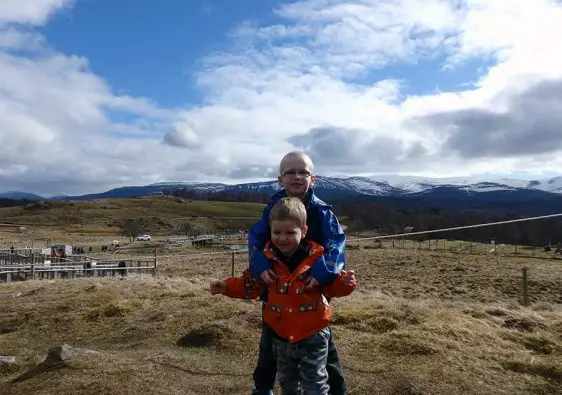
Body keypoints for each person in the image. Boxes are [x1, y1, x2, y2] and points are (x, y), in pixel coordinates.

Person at [210, 197, 356, 394]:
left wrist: (345, 284)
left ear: (303, 232)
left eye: (290, 232)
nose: (282, 238)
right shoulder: (266, 261)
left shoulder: (318, 262)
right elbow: (251, 287)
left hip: (312, 334)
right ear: (270, 230)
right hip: (280, 336)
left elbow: (331, 288)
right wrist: (226, 287)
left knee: (315, 384)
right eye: (277, 232)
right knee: (287, 383)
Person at [248, 151, 348, 395]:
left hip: (311, 289)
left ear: (312, 179)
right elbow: (256, 239)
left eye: (302, 172)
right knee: (269, 344)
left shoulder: (323, 213)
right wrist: (260, 267)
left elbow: (336, 243)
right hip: (276, 287)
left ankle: (337, 390)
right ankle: (263, 389)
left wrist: (323, 273)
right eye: (290, 172)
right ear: (280, 179)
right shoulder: (273, 209)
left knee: (322, 345)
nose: (296, 176)